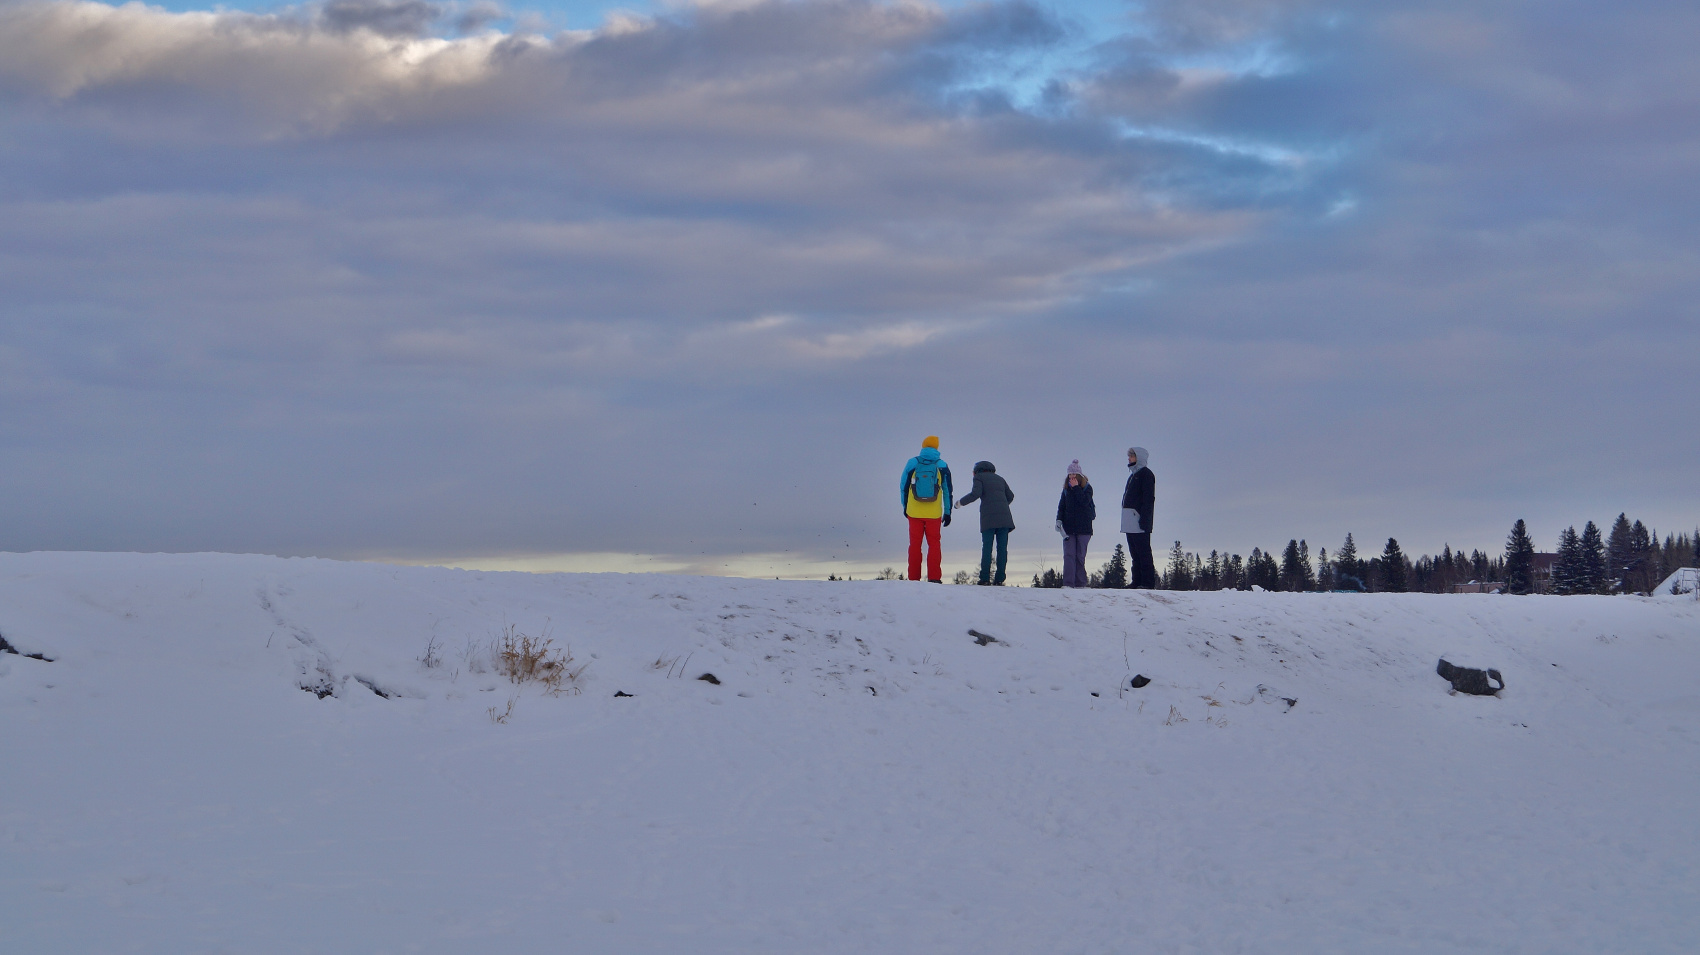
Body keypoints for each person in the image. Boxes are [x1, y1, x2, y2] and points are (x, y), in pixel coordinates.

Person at [900, 436, 954, 582]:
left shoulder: (912, 463)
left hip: (914, 511)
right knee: (934, 544)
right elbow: (947, 490)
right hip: (934, 513)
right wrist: (948, 512)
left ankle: (913, 578)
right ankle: (934, 578)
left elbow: (903, 486)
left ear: (923, 446)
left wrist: (905, 506)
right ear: (937, 447)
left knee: (915, 545)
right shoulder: (942, 465)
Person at [958, 460, 1015, 585]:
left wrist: (960, 503)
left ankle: (984, 579)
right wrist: (1001, 504)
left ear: (977, 471)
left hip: (988, 518)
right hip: (1005, 518)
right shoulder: (1000, 479)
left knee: (987, 548)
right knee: (1002, 549)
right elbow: (1010, 496)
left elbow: (975, 494)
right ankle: (999, 579)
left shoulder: (979, 477)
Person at [1055, 460, 1095, 588]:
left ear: (1079, 476)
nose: (1071, 477)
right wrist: (1059, 520)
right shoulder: (1066, 490)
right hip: (1068, 528)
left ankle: (1080, 583)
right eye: (1070, 475)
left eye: (1074, 475)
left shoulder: (1087, 489)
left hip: (1084, 529)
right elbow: (1062, 507)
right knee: (1068, 556)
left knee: (1079, 557)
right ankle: (1068, 584)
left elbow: (1084, 503)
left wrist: (1077, 488)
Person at [1121, 446, 1157, 589]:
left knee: (1143, 552)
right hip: (1129, 520)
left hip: (1139, 521)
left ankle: (1147, 583)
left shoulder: (1146, 475)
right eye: (1129, 456)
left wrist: (1144, 519)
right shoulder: (1133, 475)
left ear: (1139, 457)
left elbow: (1148, 499)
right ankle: (1137, 581)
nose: (1129, 458)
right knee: (1134, 553)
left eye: (1132, 456)